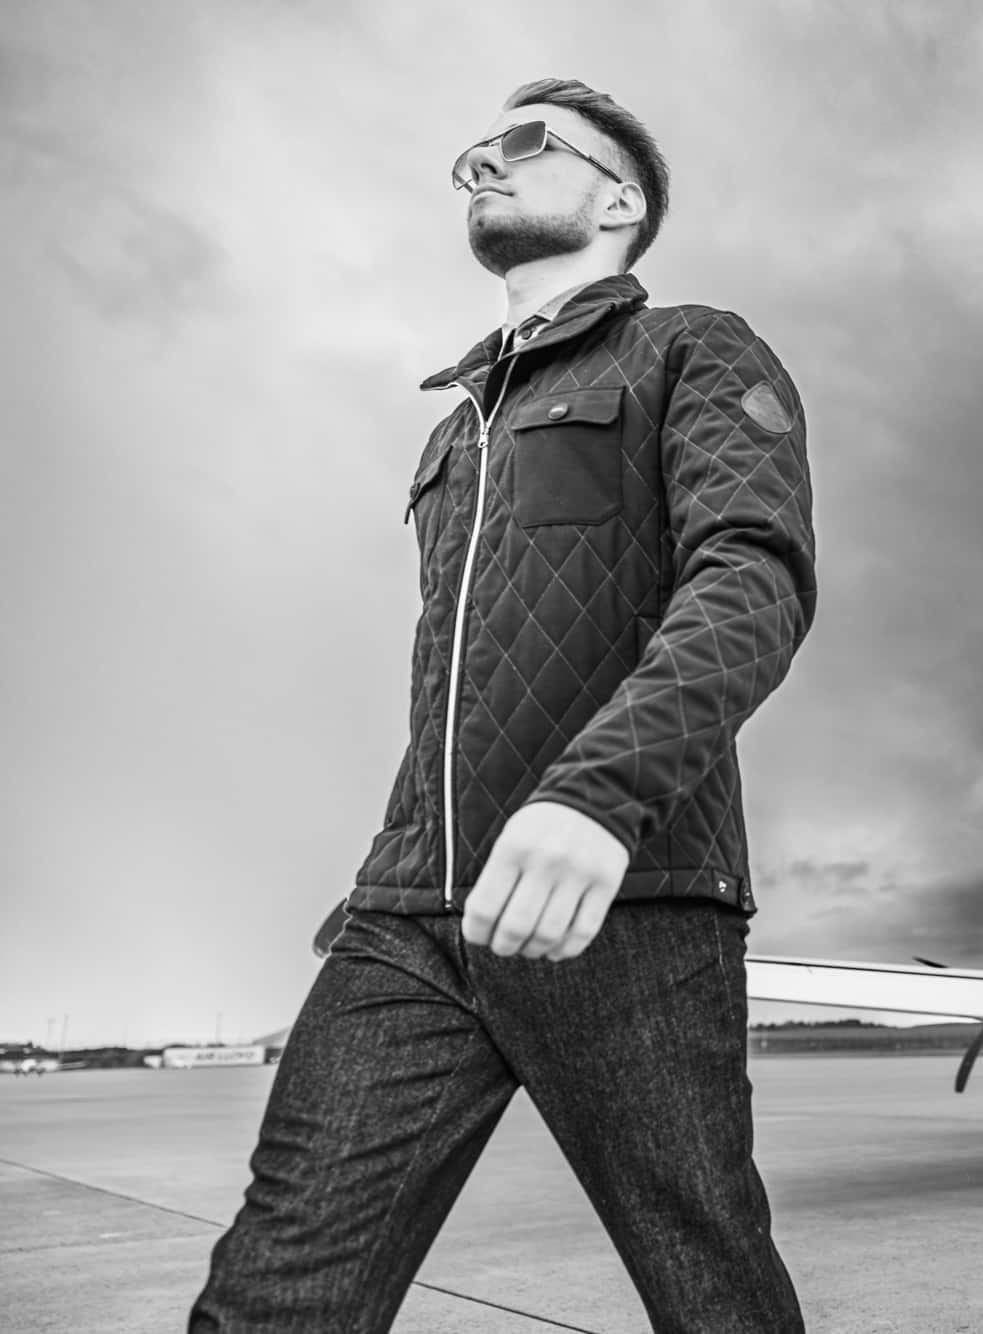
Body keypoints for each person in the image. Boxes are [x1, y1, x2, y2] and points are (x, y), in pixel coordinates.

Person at [191, 78, 814, 1333]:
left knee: (709, 1284)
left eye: (523, 145)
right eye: (470, 152)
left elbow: (753, 576)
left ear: (619, 200)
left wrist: (601, 794)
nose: (481, 163)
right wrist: (405, 852)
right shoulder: (457, 430)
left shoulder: (691, 349)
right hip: (412, 918)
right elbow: (458, 674)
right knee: (272, 1290)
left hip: (624, 900)